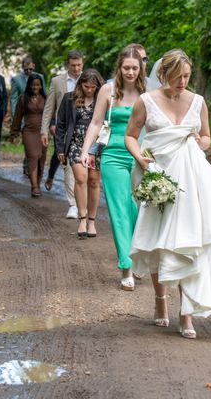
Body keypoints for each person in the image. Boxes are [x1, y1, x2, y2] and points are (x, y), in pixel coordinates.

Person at [124, 49, 211, 339]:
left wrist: (200, 141)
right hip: (160, 177)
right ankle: (160, 302)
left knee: (189, 243)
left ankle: (187, 313)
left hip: (193, 182)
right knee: (159, 241)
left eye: (187, 76)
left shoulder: (198, 102)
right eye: (177, 76)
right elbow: (131, 136)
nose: (183, 81)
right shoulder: (146, 102)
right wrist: (141, 159)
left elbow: (207, 138)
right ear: (163, 74)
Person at [80, 45, 146, 291]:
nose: (130, 72)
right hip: (113, 155)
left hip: (141, 155)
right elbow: (96, 123)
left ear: (141, 69)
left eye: (134, 68)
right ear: (119, 67)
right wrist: (86, 151)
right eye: (126, 67)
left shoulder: (146, 93)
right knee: (119, 209)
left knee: (138, 209)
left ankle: (139, 255)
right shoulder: (108, 91)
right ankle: (126, 266)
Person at [56, 69, 104, 238]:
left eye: (92, 87)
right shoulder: (69, 98)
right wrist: (60, 148)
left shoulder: (103, 100)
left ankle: (92, 220)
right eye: (86, 86)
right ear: (80, 84)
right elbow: (61, 124)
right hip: (75, 143)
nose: (89, 90)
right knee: (81, 178)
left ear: (97, 86)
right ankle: (82, 218)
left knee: (93, 181)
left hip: (96, 144)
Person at [41, 50, 83, 219]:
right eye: (73, 65)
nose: (76, 69)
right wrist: (44, 129)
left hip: (84, 127)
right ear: (68, 65)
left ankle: (82, 201)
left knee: (84, 165)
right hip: (64, 128)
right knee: (68, 167)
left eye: (79, 65)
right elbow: (49, 107)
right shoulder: (57, 81)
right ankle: (73, 204)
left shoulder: (88, 79)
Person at [9, 73, 47, 197]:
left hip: (43, 133)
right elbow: (18, 116)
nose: (35, 87)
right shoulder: (23, 98)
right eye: (33, 85)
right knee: (33, 156)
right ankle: (34, 186)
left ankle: (38, 182)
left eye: (37, 84)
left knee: (41, 158)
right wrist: (14, 132)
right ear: (29, 85)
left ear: (41, 86)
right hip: (29, 132)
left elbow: (51, 115)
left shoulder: (45, 99)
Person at [10, 56, 44, 176]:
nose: (28, 72)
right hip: (24, 114)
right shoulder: (16, 79)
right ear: (22, 67)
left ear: (33, 66)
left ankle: (33, 165)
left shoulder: (40, 77)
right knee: (28, 142)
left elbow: (43, 94)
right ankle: (27, 166)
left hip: (38, 114)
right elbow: (14, 98)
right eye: (26, 69)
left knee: (37, 143)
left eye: (30, 69)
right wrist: (16, 115)